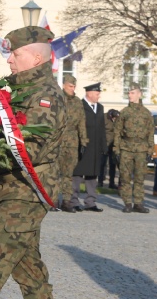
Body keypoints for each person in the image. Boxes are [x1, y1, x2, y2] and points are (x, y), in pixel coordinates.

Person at [0, 26, 66, 299]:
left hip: (28, 191)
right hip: (14, 189)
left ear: (36, 59)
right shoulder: (19, 90)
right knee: (27, 267)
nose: (9, 60)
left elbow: (28, 151)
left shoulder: (46, 97)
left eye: (16, 54)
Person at [113, 83, 154, 213]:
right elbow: (117, 132)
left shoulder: (146, 113)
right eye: (129, 93)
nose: (130, 95)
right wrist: (116, 149)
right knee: (125, 177)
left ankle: (138, 203)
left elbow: (150, 133)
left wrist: (150, 150)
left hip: (141, 149)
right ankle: (127, 203)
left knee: (139, 178)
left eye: (132, 93)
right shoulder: (124, 112)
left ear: (139, 94)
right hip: (126, 148)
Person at [70, 82, 107, 212]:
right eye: (97, 94)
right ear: (89, 93)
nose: (99, 96)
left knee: (92, 175)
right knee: (78, 174)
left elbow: (102, 128)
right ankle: (73, 200)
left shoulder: (100, 108)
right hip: (82, 145)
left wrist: (104, 146)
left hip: (96, 147)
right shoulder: (79, 106)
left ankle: (90, 201)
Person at [58, 75, 89, 213]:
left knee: (68, 173)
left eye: (74, 86)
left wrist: (83, 141)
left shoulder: (77, 102)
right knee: (54, 172)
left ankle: (66, 201)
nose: (73, 89)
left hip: (72, 141)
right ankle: (52, 199)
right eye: (70, 86)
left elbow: (82, 122)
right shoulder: (57, 98)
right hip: (58, 139)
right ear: (64, 85)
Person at [98, 109, 120, 189]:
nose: (114, 120)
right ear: (110, 116)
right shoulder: (103, 118)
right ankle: (100, 182)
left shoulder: (118, 118)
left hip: (113, 145)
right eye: (113, 118)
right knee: (102, 164)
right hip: (104, 145)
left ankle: (112, 183)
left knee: (112, 164)